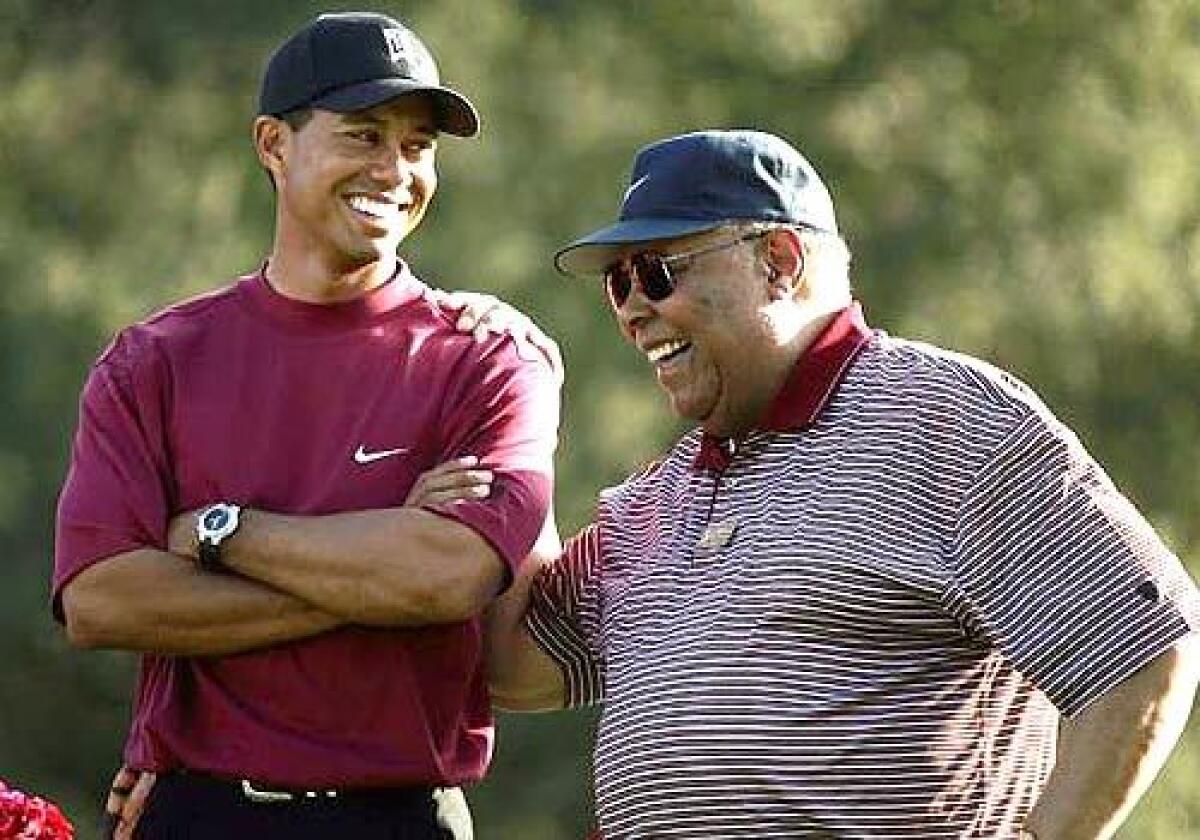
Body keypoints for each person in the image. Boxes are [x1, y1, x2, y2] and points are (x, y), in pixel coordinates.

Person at [480, 129, 1200, 838]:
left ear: (780, 261)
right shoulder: (653, 497)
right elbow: (510, 665)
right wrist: (506, 425)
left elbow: (1151, 644)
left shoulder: (946, 420)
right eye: (619, 283)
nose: (636, 309)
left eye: (658, 272)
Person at [52, 11, 559, 840]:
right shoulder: (154, 360)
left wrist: (217, 533)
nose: (395, 170)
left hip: (404, 819)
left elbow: (447, 579)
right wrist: (377, 566)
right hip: (194, 812)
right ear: (273, 145)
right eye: (363, 135)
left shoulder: (488, 355)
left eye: (419, 146)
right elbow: (101, 600)